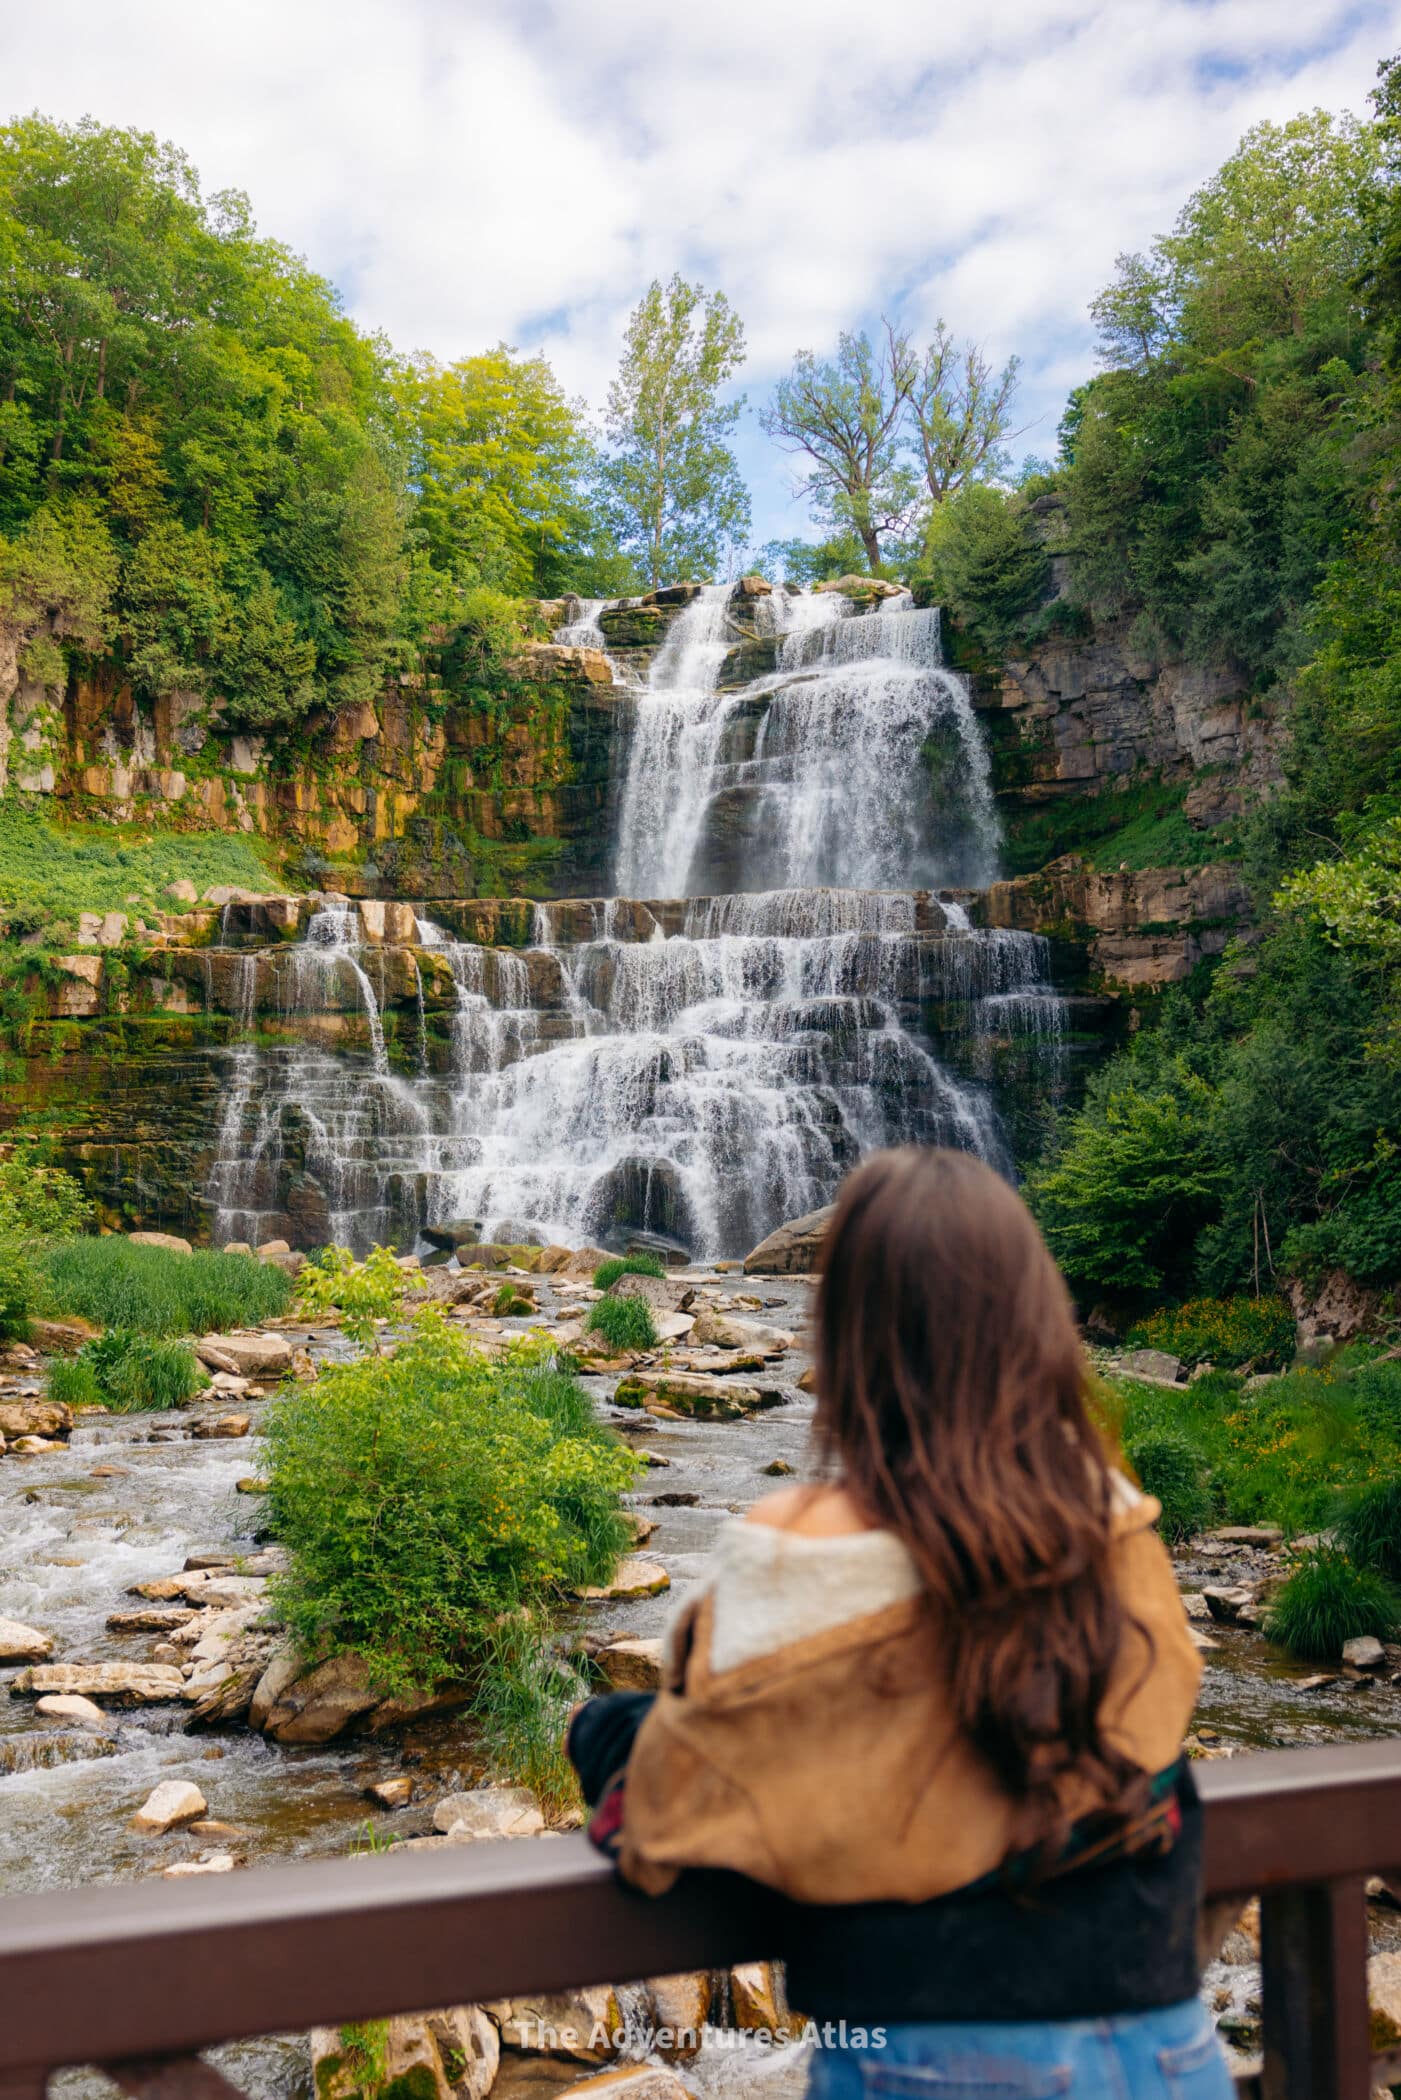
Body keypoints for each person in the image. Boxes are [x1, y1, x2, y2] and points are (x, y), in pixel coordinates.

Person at [568, 1146, 1234, 2099]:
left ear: (843, 1333)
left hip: (925, 2058)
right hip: (1165, 2047)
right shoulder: (1111, 1522)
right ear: (1034, 1321)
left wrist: (601, 1732)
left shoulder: (794, 1550)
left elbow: (667, 1817)